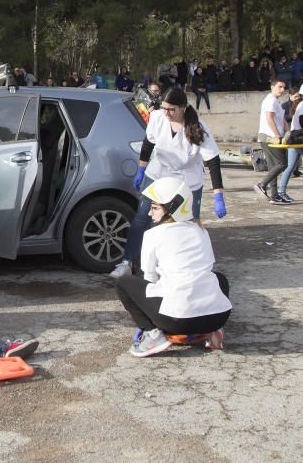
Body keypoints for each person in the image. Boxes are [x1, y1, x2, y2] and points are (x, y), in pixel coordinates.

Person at [115, 86, 226, 277]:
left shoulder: (198, 127)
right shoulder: (158, 118)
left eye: (171, 109)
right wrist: (141, 170)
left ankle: (190, 266)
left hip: (187, 180)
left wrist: (219, 196)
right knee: (143, 218)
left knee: (188, 224)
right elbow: (148, 144)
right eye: (164, 108)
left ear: (183, 107)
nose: (166, 113)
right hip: (158, 174)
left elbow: (213, 162)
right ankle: (128, 261)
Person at [115, 178, 231, 357]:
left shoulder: (153, 235)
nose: (149, 214)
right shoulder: (201, 231)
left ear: (172, 208)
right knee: (218, 278)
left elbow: (149, 280)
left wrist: (148, 314)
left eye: (155, 208)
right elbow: (207, 268)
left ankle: (152, 334)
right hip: (218, 317)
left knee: (123, 283)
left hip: (177, 322)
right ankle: (214, 332)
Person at [253, 80, 288, 202]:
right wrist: (277, 135)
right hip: (269, 137)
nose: (282, 89)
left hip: (271, 137)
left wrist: (288, 131)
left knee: (274, 166)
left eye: (284, 87)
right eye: (280, 87)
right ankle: (262, 184)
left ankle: (274, 195)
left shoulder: (275, 101)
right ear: (272, 87)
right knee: (282, 164)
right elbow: (269, 118)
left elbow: (281, 120)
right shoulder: (271, 100)